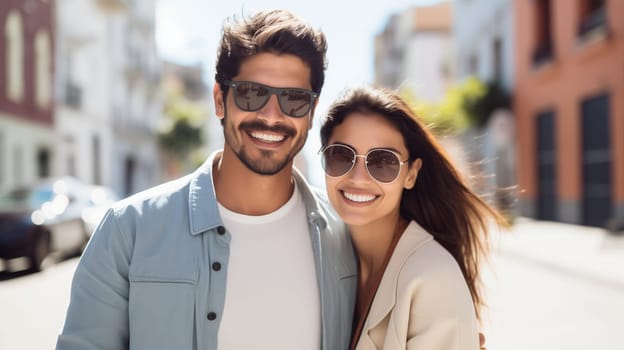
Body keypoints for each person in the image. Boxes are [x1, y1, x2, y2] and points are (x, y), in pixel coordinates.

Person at [56, 9, 357, 350]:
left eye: (294, 99)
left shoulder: (346, 238)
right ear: (219, 100)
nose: (272, 116)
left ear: (312, 112)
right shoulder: (128, 230)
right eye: (251, 94)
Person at [319, 85, 508, 350]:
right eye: (341, 156)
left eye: (383, 162)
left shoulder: (433, 278)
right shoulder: (322, 257)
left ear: (411, 174)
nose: (358, 178)